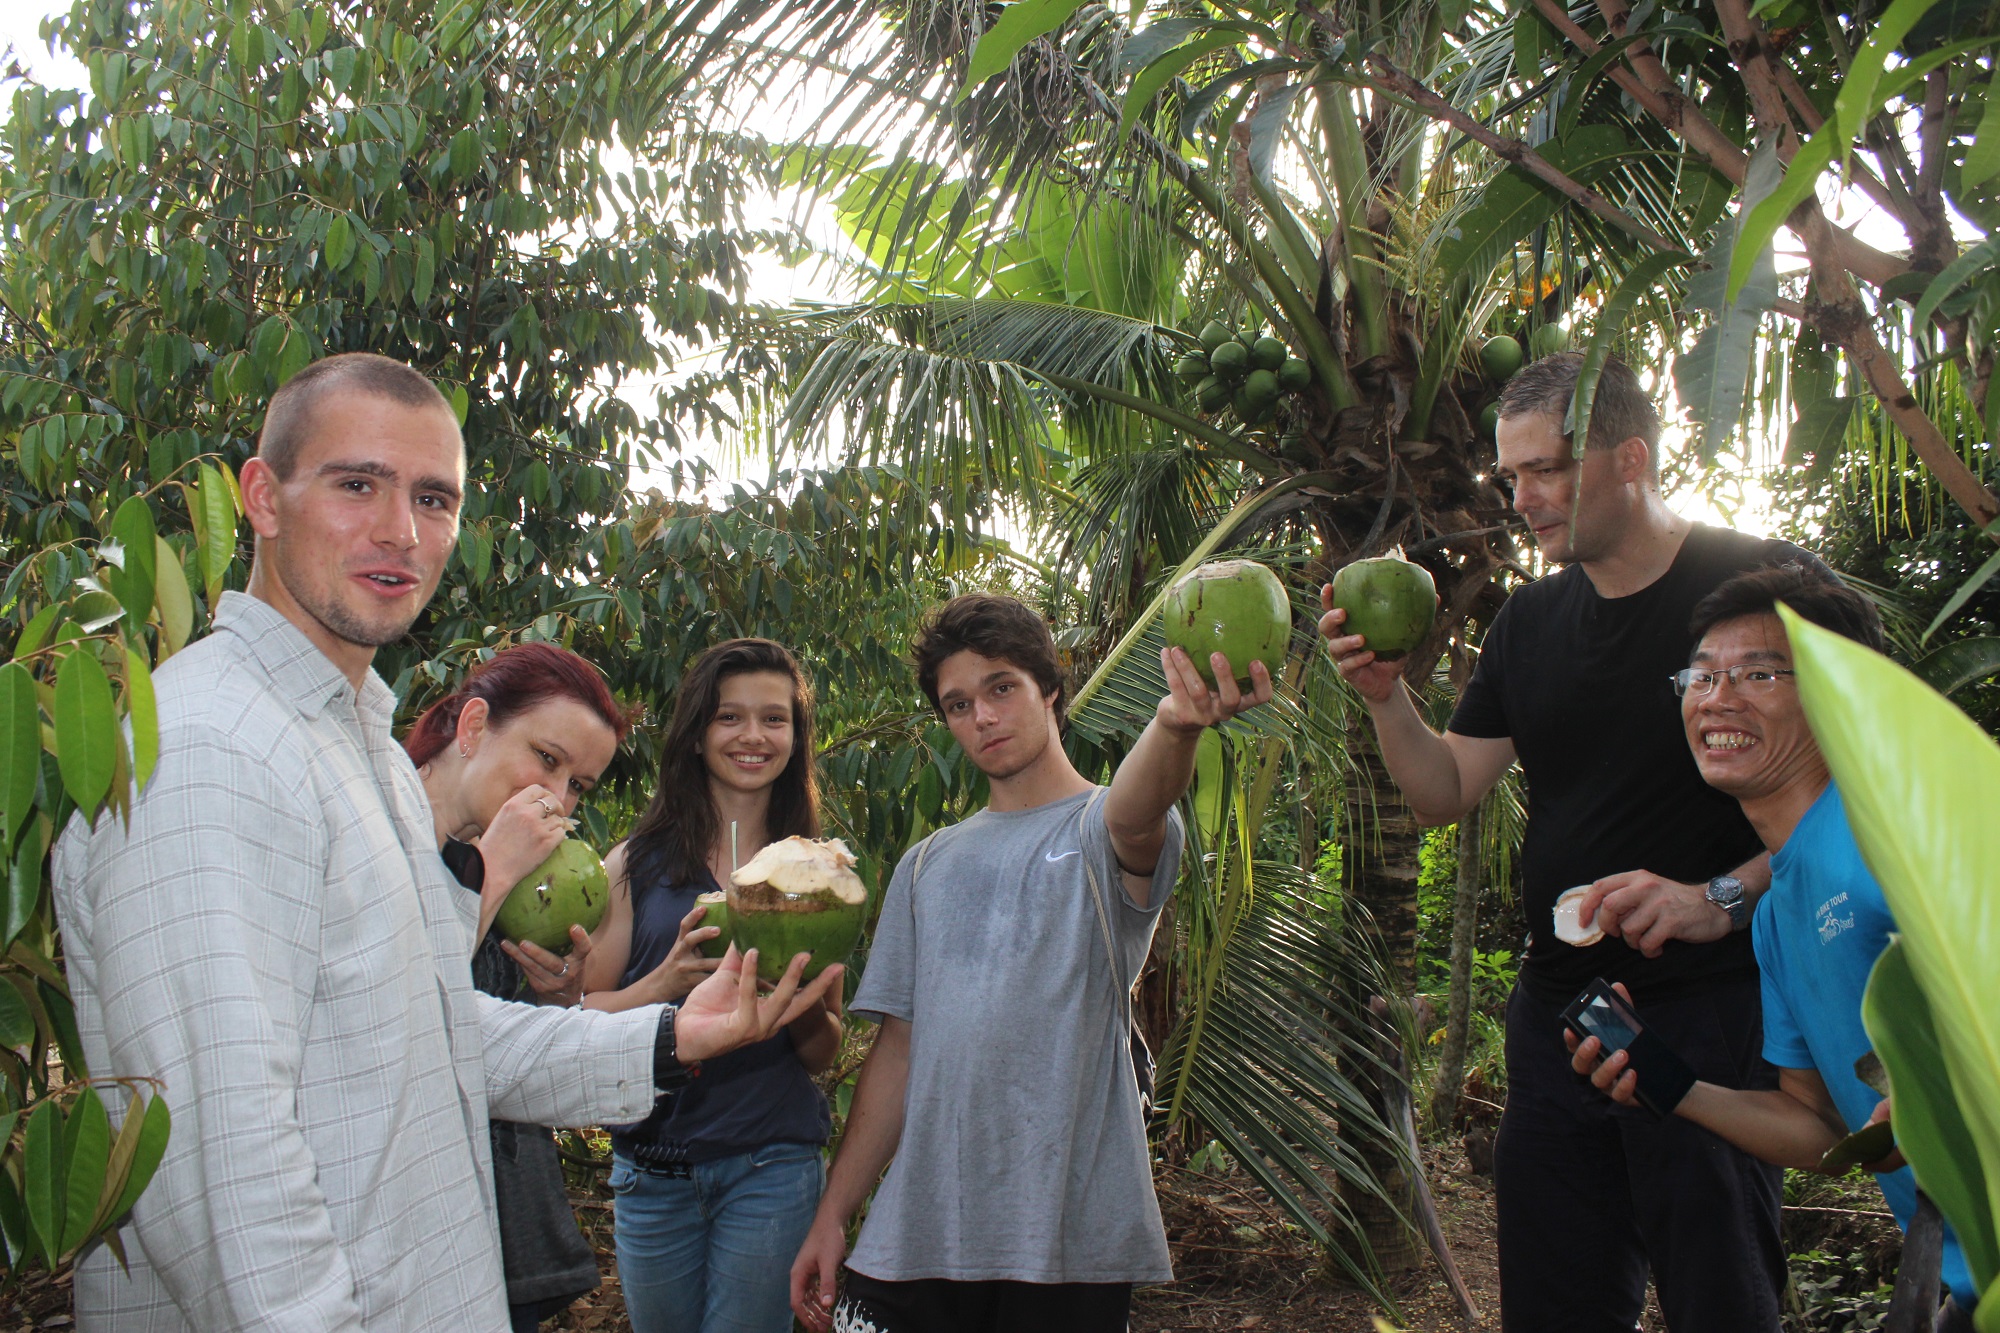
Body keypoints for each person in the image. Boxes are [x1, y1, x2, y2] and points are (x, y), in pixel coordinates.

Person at [51, 352, 839, 1332]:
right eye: (356, 484)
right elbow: (225, 1176)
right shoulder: (212, 747)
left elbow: (439, 1032)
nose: (400, 530)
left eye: (433, 498)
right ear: (261, 497)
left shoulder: (366, 757)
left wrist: (677, 1035)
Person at [1322, 353, 1824, 1331]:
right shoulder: (1529, 621)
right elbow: (1444, 790)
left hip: (1715, 1013)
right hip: (1559, 1017)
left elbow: (1857, 795)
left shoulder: (1761, 587)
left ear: (1630, 458)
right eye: (1510, 475)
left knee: (1722, 1301)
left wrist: (1717, 900)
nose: (1521, 500)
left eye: (1545, 470)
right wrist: (1385, 699)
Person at [789, 592, 1272, 1333]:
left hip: (1063, 1245)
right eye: (958, 705)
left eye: (1001, 688)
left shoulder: (1098, 829)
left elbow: (1136, 814)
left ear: (1049, 688)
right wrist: (833, 1212)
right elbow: (899, 1051)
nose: (982, 716)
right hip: (916, 1236)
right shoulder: (925, 866)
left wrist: (1176, 725)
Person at [1569, 564, 1978, 1330]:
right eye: (1701, 675)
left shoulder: (1897, 827)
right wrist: (1669, 1081)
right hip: (1967, 1273)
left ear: (1838, 693)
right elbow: (1820, 1123)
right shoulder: (1775, 915)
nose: (1717, 696)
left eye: (1758, 673)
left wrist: (1936, 1093)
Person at [581, 638, 844, 1333]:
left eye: (774, 718)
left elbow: (821, 1053)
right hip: (651, 1169)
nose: (753, 735)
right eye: (730, 717)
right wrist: (661, 983)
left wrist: (794, 1003)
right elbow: (579, 1017)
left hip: (770, 1166)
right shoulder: (633, 865)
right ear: (697, 734)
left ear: (796, 737)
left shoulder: (817, 872)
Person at [407, 642, 635, 1330]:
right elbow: (395, 1010)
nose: (558, 799)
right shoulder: (381, 837)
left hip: (498, 1237)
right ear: (474, 726)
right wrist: (493, 870)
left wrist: (555, 997)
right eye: (546, 758)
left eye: (579, 785)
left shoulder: (522, 862)